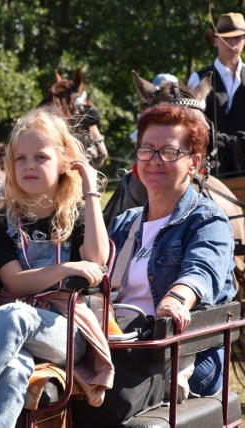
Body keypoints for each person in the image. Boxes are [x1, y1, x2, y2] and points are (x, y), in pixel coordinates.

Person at [0, 107, 113, 428]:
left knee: (11, 314)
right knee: (14, 372)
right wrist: (65, 269)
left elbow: (96, 261)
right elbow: (14, 282)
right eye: (20, 158)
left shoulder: (77, 212)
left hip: (66, 330)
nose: (29, 165)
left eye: (40, 157)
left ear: (63, 162)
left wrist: (90, 189)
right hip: (12, 329)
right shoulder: (1, 221)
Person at [109, 103, 235, 402]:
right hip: (117, 343)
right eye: (146, 150)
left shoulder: (207, 221)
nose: (154, 160)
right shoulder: (125, 222)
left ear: (194, 162)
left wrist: (176, 299)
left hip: (176, 353)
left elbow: (201, 271)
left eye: (168, 151)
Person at [188, 12, 245, 176]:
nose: (232, 42)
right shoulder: (198, 79)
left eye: (238, 37)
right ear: (214, 40)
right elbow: (192, 124)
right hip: (212, 168)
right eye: (225, 38)